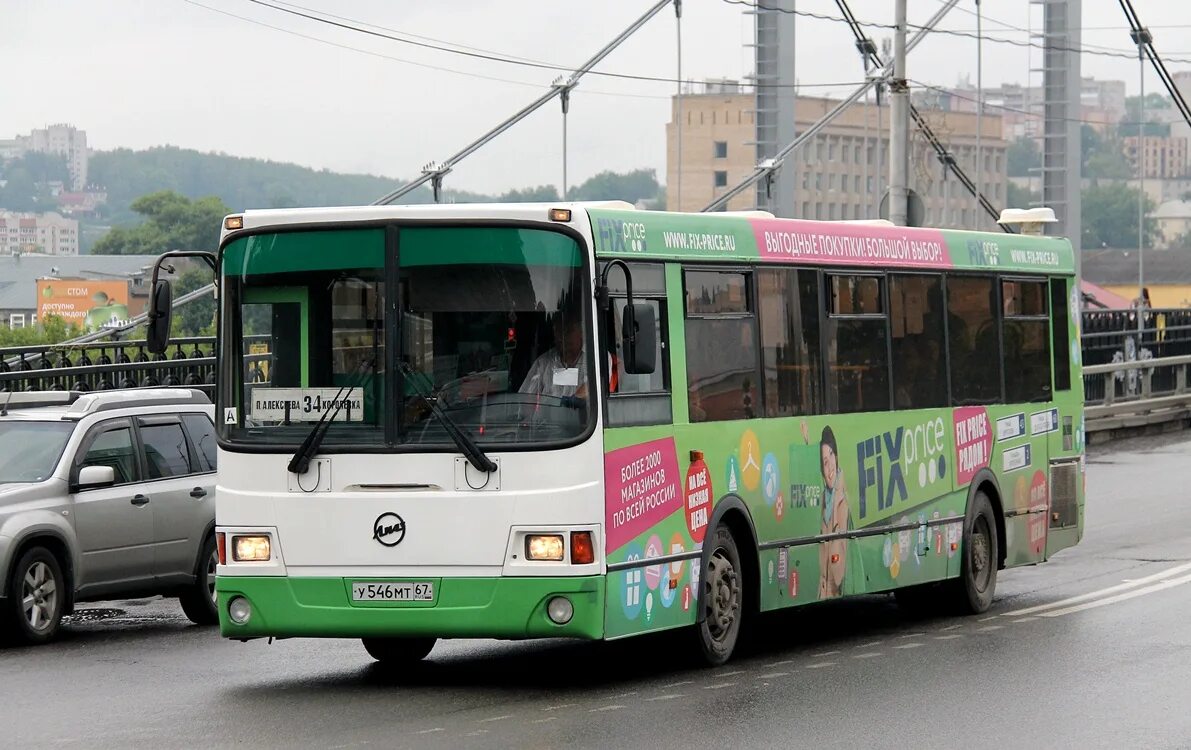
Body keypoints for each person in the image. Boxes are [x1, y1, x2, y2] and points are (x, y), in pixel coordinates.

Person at [519, 313, 589, 399]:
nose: (562, 337)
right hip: (549, 412)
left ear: (581, 332)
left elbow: (593, 387)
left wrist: (567, 404)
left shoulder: (594, 358)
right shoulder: (543, 363)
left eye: (568, 331)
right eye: (557, 331)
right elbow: (524, 399)